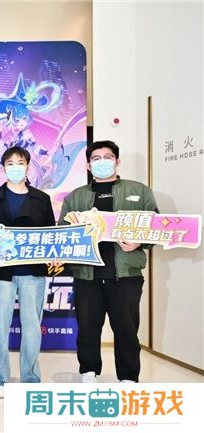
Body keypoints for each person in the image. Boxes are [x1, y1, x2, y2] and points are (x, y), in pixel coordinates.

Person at [59, 140, 159, 384]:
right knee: (87, 326)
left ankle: (128, 376)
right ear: (88, 165)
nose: (102, 162)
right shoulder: (76, 197)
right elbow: (63, 231)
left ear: (117, 161)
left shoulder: (139, 191)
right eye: (96, 158)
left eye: (107, 157)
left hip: (125, 273)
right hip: (86, 274)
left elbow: (156, 227)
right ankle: (88, 371)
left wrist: (139, 242)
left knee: (127, 328)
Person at [0, 146, 56, 399]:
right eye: (10, 163)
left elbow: (51, 235)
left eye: (20, 163)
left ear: (28, 166)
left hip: (33, 272)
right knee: (0, 326)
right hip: (1, 273)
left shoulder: (41, 199)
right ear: (3, 168)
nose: (16, 167)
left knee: (32, 326)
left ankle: (30, 377)